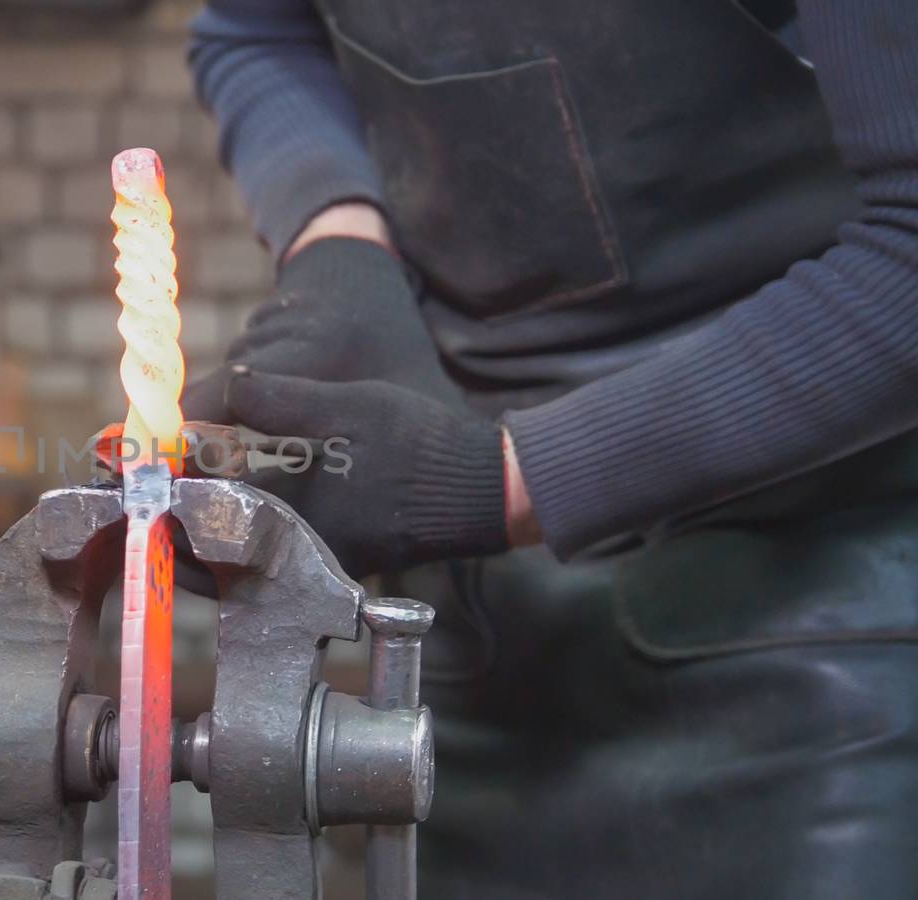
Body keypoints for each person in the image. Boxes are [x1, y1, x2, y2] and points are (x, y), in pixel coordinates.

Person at [184, 0, 918, 896]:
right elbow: (253, 30)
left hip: (822, 618)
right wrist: (340, 245)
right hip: (465, 636)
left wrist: (488, 482)